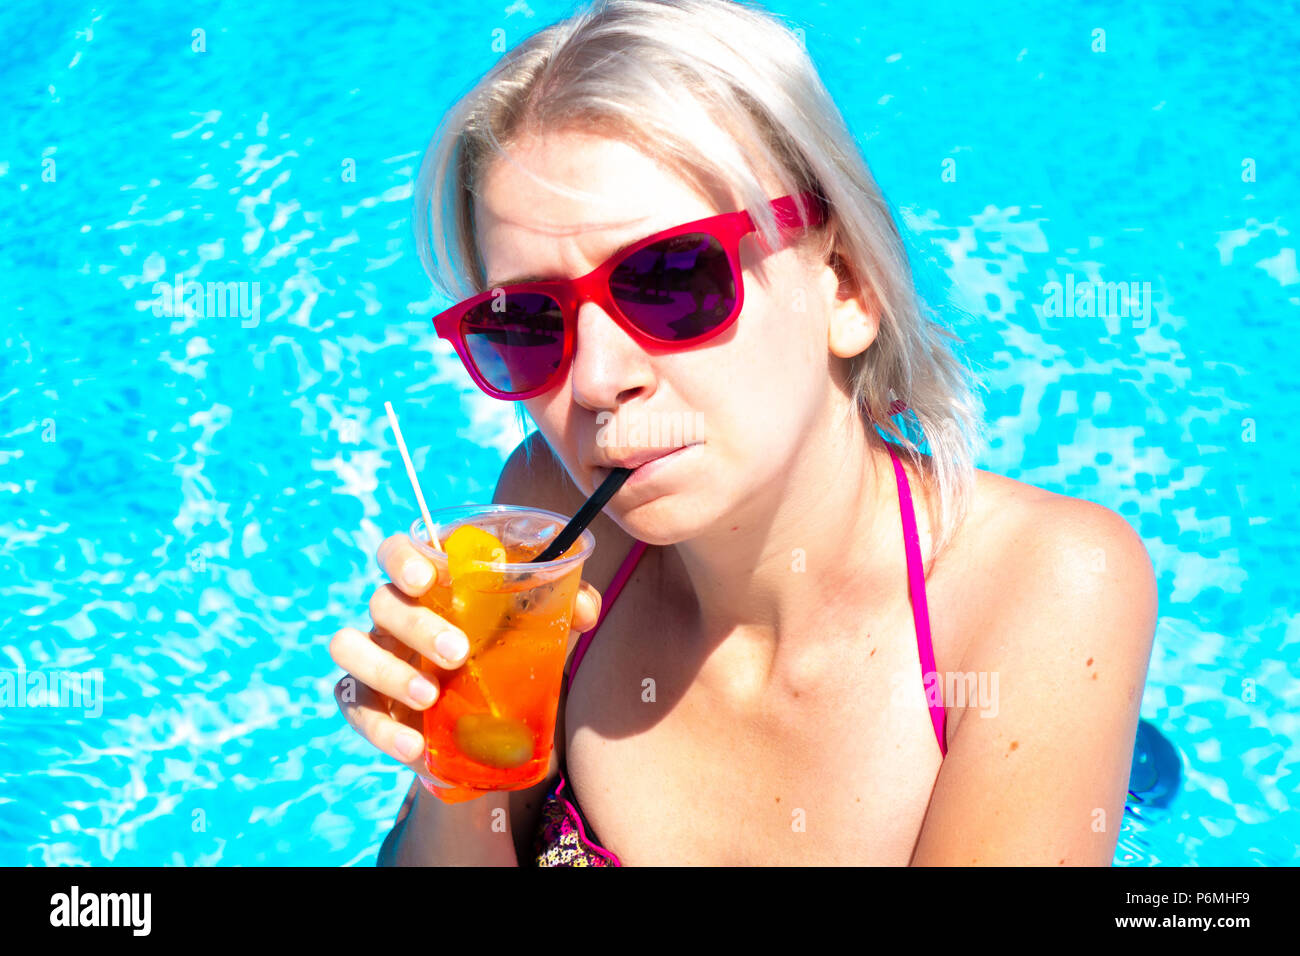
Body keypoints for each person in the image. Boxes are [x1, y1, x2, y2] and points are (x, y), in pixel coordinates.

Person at [331, 0, 1158, 865]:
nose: (599, 380)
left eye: (671, 280)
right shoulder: (550, 527)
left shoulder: (1044, 590)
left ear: (845, 287)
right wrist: (455, 769)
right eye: (529, 322)